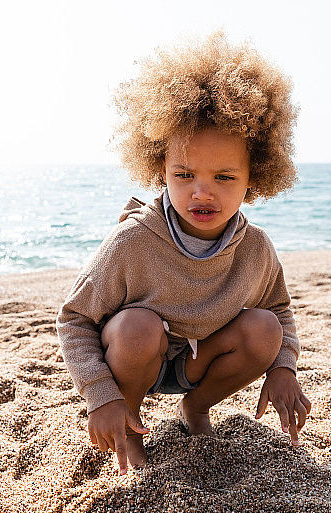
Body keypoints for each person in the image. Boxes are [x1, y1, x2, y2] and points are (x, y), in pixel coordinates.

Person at [56, 31, 311, 475]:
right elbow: (74, 319)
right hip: (133, 358)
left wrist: (283, 369)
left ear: (254, 176)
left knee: (264, 329)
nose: (202, 192)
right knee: (137, 327)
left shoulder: (254, 248)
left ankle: (195, 408)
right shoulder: (132, 242)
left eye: (224, 177)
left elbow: (280, 310)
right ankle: (130, 427)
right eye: (185, 174)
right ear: (161, 169)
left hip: (198, 363)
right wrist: (101, 396)